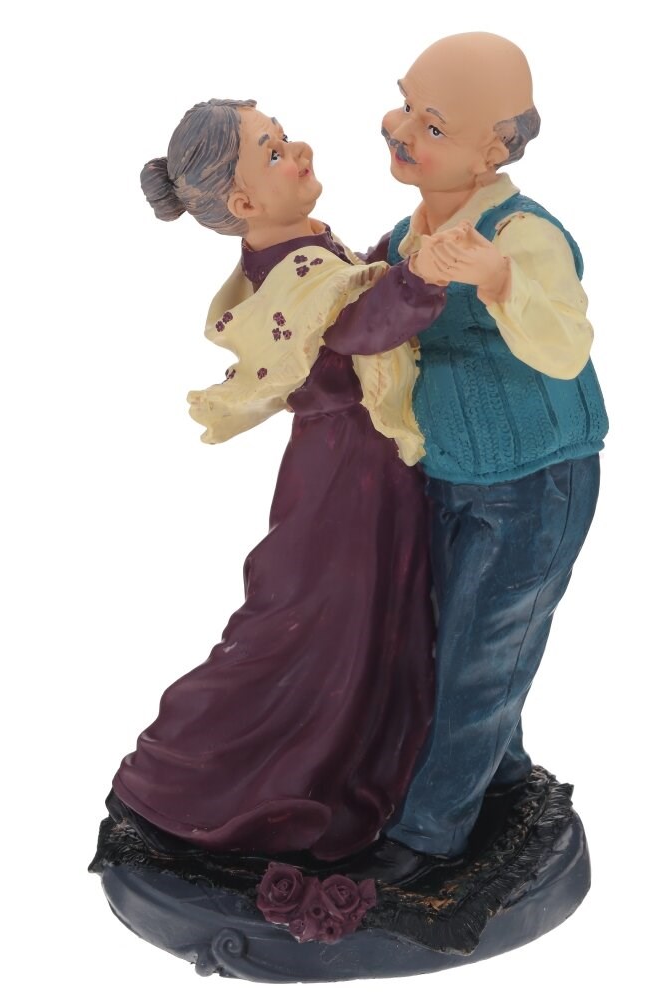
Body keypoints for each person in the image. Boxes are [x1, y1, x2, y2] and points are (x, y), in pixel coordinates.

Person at [108, 99, 449, 862]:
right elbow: (355, 328)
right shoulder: (290, 273)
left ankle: (361, 756)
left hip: (363, 464)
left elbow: (345, 292)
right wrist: (420, 278)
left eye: (285, 136)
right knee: (311, 618)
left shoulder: (298, 252)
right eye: (273, 151)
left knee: (373, 616)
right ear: (244, 204)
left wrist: (393, 258)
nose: (299, 150)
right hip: (346, 477)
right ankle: (193, 771)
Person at [350, 33, 609, 885]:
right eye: (404, 104)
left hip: (536, 478)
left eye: (432, 125)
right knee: (445, 642)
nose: (399, 130)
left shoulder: (523, 236)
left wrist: (500, 282)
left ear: (492, 150)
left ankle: (429, 839)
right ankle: (501, 781)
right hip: (448, 471)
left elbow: (566, 346)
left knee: (483, 659)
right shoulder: (406, 234)